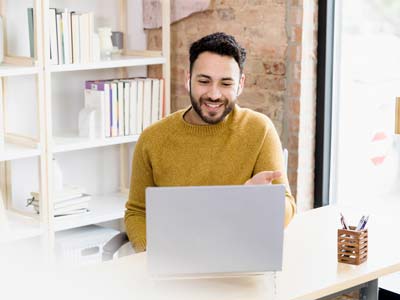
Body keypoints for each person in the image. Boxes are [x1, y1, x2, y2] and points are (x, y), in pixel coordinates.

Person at [124, 32, 296, 252]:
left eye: (226, 83)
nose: (214, 94)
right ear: (188, 79)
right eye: (204, 81)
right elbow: (137, 212)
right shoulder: (152, 139)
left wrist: (257, 201)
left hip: (241, 259)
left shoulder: (259, 130)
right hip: (174, 263)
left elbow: (288, 209)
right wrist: (152, 254)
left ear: (240, 84)